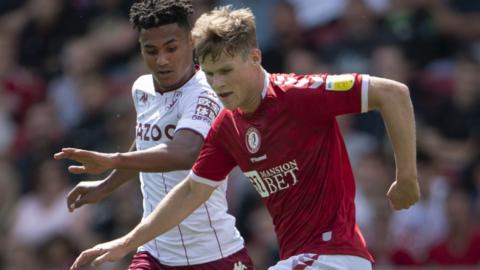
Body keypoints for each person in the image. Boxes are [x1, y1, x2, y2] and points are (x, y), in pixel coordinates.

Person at [68, 6, 421, 270]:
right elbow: (192, 191)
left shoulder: (298, 94)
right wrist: (126, 243)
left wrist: (405, 177)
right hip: (298, 258)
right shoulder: (227, 127)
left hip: (336, 257)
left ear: (254, 58)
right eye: (210, 74)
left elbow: (392, 92)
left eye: (226, 71)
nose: (218, 84)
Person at [54, 1, 254, 270]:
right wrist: (106, 185)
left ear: (191, 42)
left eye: (171, 48)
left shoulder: (206, 93)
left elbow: (185, 153)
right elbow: (147, 143)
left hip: (212, 254)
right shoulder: (142, 88)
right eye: (151, 50)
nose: (162, 60)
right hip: (154, 253)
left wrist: (114, 160)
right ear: (140, 49)